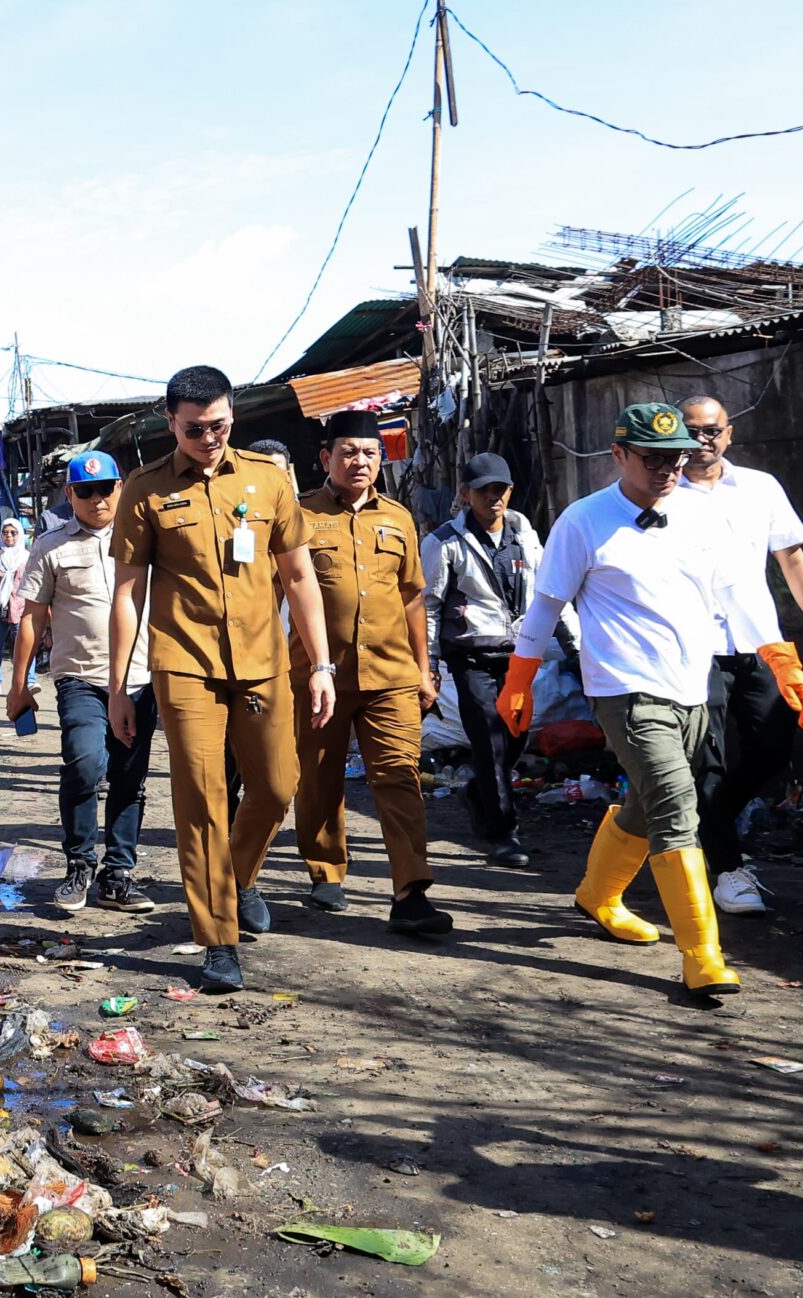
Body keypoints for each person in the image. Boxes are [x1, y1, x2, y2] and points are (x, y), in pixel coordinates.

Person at [500, 403, 803, 999]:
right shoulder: (583, 521)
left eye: (675, 459)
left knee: (651, 803)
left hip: (691, 684)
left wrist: (782, 659)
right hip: (624, 689)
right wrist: (520, 677)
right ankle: (702, 954)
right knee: (677, 806)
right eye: (652, 459)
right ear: (618, 455)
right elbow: (545, 606)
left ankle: (598, 896)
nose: (668, 470)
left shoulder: (702, 514)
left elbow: (741, 590)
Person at [110, 364, 334, 993]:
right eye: (194, 429)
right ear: (170, 423)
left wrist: (319, 665)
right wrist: (119, 685)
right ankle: (218, 940)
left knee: (277, 785)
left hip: (263, 661)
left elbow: (298, 578)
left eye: (220, 426)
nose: (209, 439)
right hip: (183, 665)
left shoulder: (267, 481)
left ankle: (235, 876)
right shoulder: (145, 489)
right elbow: (128, 593)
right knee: (203, 801)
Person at [284, 412, 451, 934]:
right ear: (326, 458)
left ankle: (410, 892)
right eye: (349, 452)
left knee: (399, 777)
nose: (360, 462)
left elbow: (412, 597)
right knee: (318, 777)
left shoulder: (399, 517)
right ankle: (326, 868)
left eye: (370, 453)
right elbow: (274, 592)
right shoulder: (299, 516)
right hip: (318, 675)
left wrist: (424, 670)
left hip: (391, 674)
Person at [679, 395, 803, 915]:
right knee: (708, 756)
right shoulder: (660, 493)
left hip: (758, 641)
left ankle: (711, 823)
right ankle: (728, 870)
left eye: (711, 431)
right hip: (692, 645)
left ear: (730, 434)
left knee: (774, 747)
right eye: (691, 431)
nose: (702, 440)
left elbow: (791, 559)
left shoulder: (759, 487)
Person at [11, 452, 156, 915]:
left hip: (139, 679)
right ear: (69, 494)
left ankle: (118, 875)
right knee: (84, 765)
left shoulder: (146, 539)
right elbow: (32, 617)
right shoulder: (50, 546)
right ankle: (79, 864)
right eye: (85, 491)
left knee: (129, 778)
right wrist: (19, 683)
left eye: (106, 488)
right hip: (79, 678)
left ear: (120, 489)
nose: (97, 499)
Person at [423, 452, 575, 869]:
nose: (493, 498)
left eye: (500, 489)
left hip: (520, 654)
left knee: (515, 734)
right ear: (465, 493)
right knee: (488, 739)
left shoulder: (524, 534)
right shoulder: (444, 543)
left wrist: (576, 650)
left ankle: (479, 793)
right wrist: (429, 665)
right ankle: (502, 831)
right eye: (484, 490)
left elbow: (552, 594)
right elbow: (429, 606)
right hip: (469, 657)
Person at [0, 517, 33, 693]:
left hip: (20, 606)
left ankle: (29, 680)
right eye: (5, 532)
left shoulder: (27, 556)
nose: (9, 536)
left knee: (25, 642)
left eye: (13, 532)